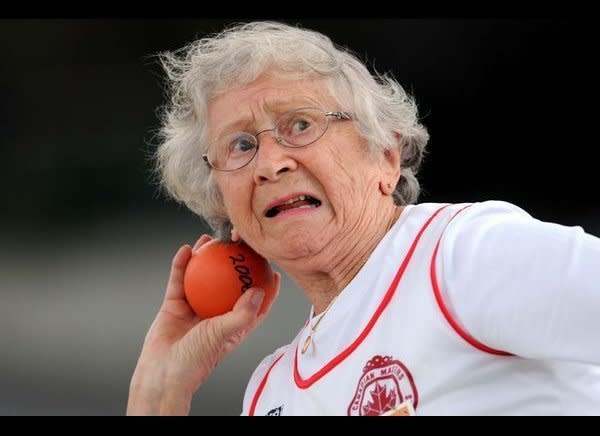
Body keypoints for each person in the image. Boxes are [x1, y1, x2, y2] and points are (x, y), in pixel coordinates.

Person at [126, 21, 600, 416]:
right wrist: (160, 391)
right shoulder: (270, 395)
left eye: (301, 125)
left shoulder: (463, 257)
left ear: (386, 156)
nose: (271, 163)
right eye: (242, 145)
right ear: (224, 206)